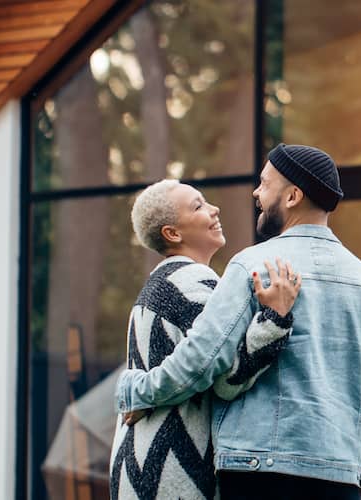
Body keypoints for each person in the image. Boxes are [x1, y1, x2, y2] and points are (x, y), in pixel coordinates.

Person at [115, 144, 361, 500]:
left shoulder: (252, 265)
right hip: (338, 473)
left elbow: (203, 359)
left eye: (265, 184)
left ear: (293, 196)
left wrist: (137, 390)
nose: (256, 192)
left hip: (256, 473)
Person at [109, 179, 302, 500]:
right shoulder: (190, 279)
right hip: (173, 472)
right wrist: (275, 317)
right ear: (173, 233)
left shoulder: (160, 282)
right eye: (198, 206)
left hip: (143, 467)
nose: (214, 210)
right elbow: (227, 377)